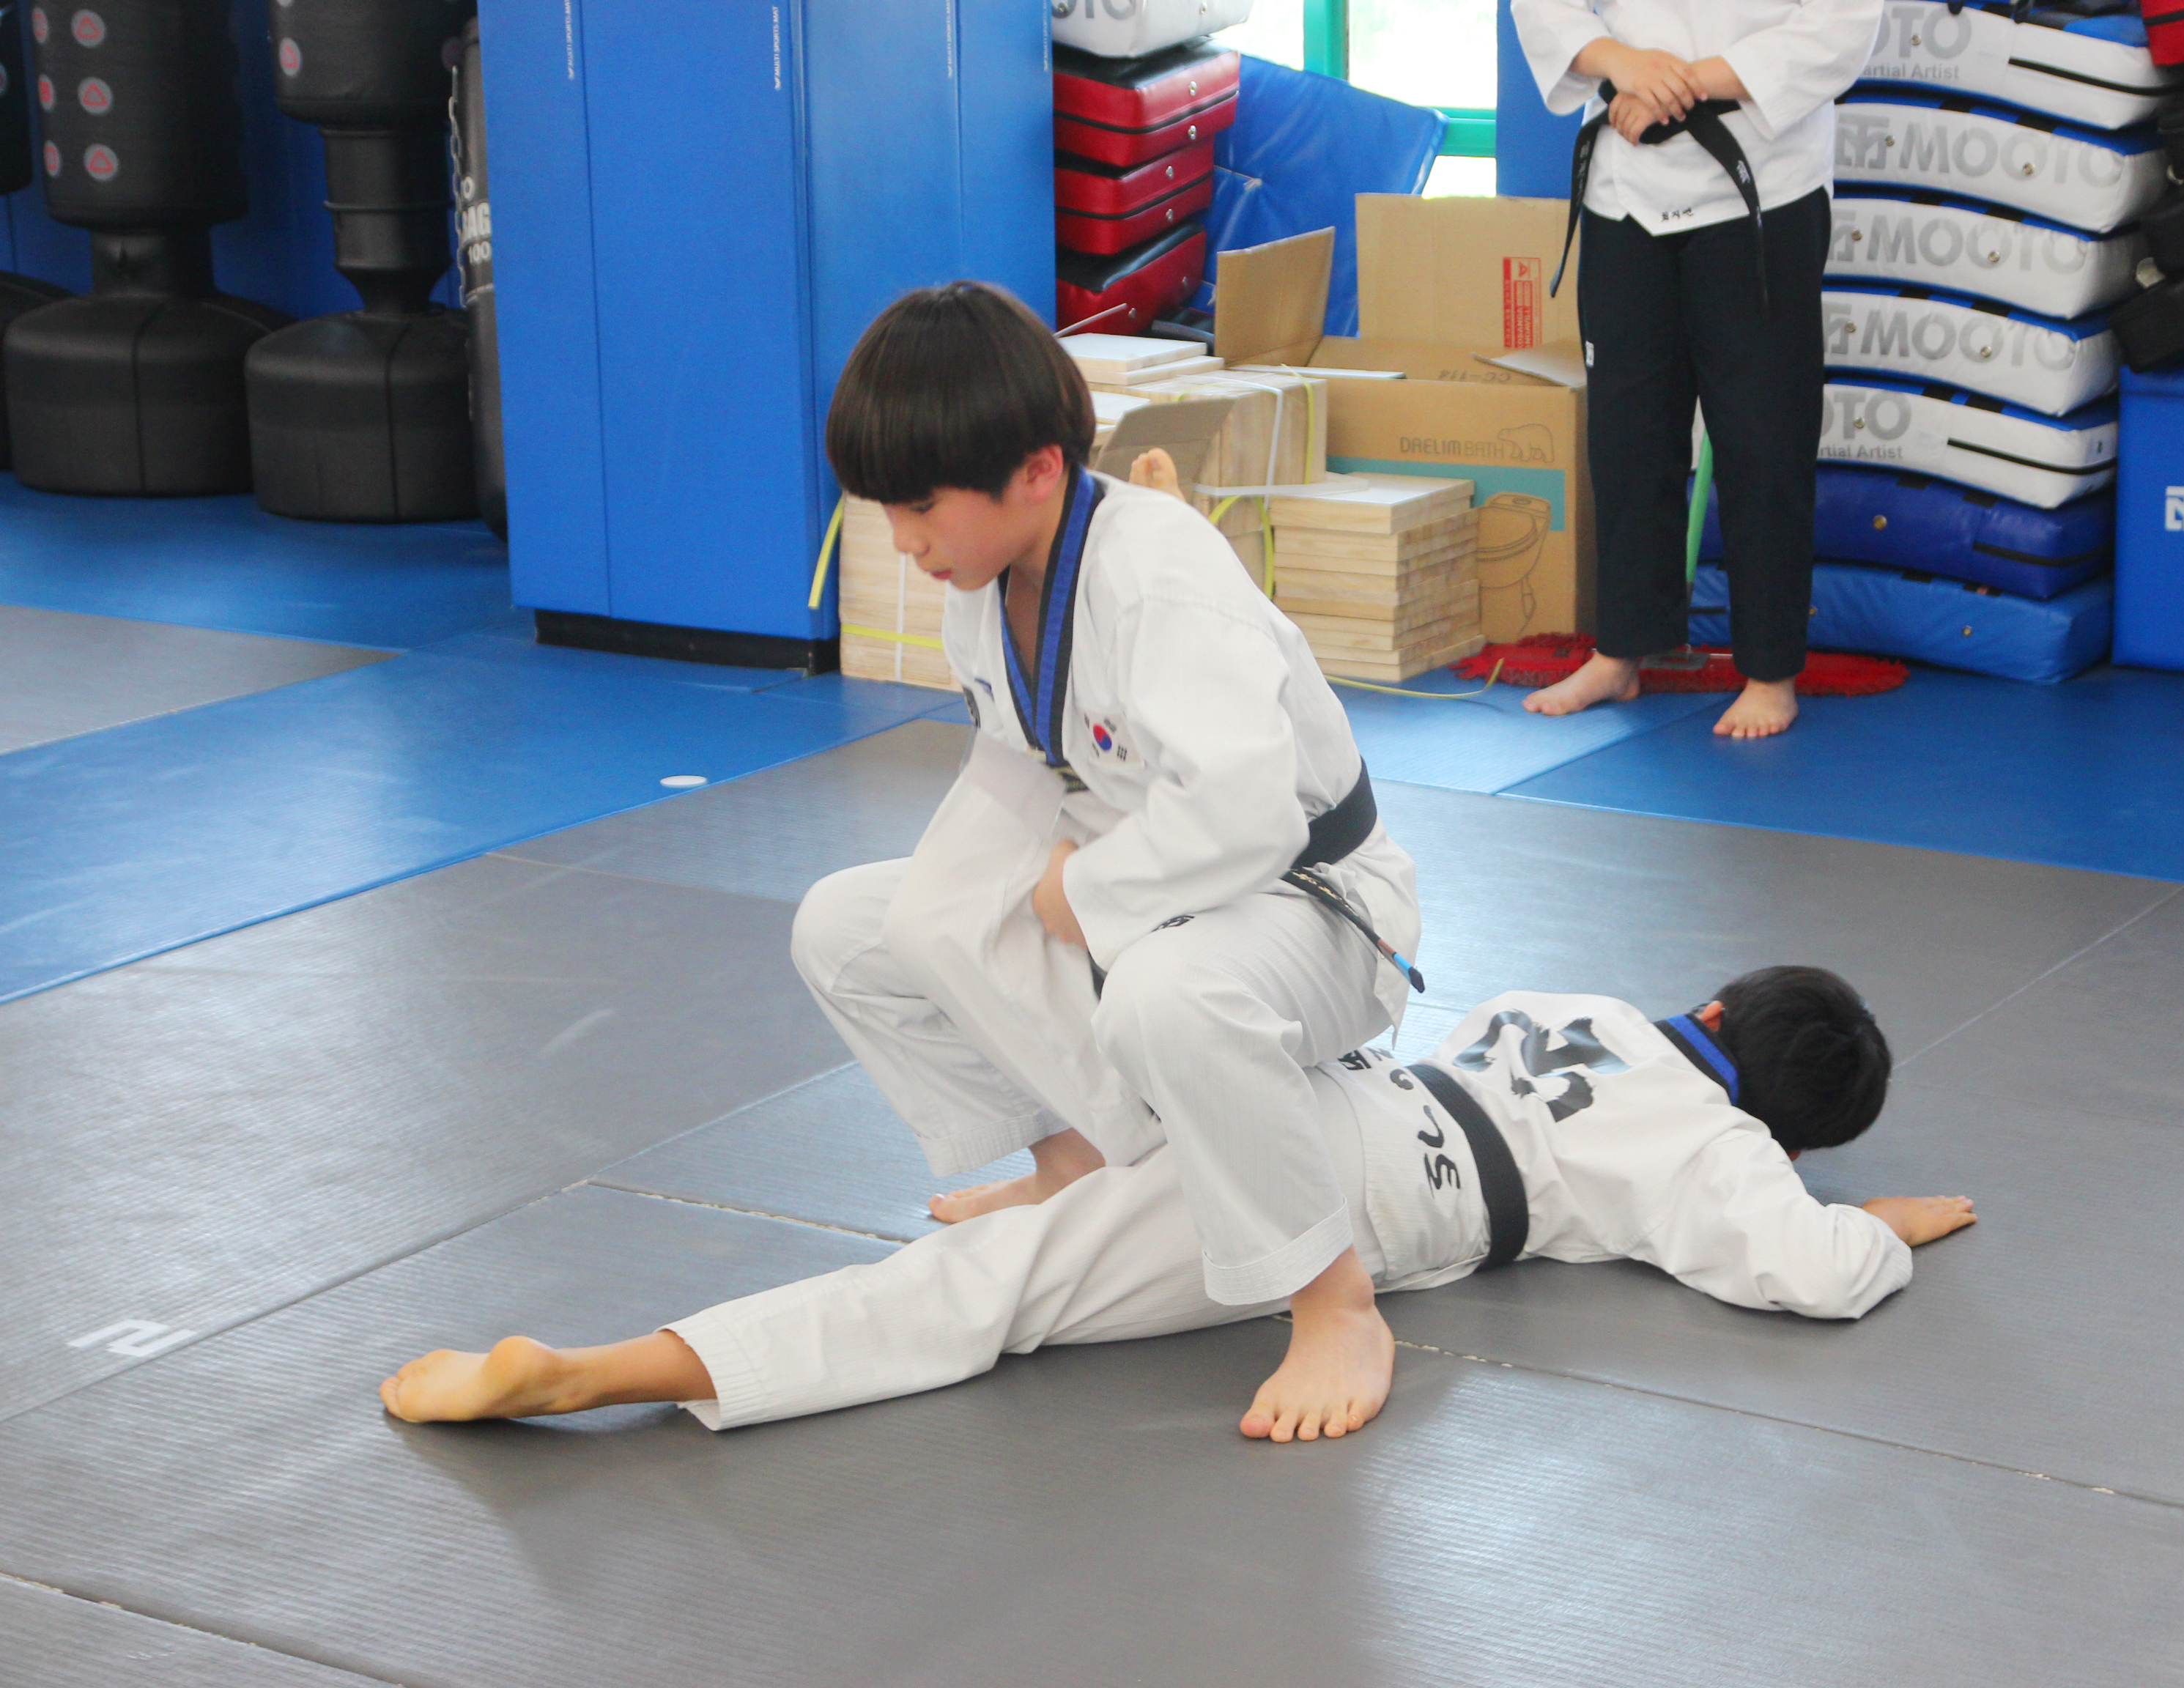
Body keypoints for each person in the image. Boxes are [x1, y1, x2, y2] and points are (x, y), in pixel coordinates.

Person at [380, 967, 1976, 1442]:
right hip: (1372, 1193)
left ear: (1717, 1002)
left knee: (1040, 1219)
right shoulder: (1714, 1148)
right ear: (1781, 1122)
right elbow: (1811, 1269)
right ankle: (595, 1371)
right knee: (987, 1304)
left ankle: (1050, 1167)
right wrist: (1879, 1220)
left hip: (1327, 1089)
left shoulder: (1586, 1010)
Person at [777, 283, 1421, 1441]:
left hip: (1315, 910)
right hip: (1157, 886)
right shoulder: (983, 588)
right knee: (852, 930)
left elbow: (1250, 818)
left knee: (1163, 999)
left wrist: (1086, 890)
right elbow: (1012, 768)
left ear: (1035, 471)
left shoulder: (1159, 578)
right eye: (884, 511)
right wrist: (949, 913)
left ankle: (1333, 1300)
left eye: (919, 507)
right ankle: (1075, 1159)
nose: (904, 542)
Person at [1509, 0, 1878, 733]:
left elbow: (1842, 24)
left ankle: (1770, 671)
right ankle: (1622, 650)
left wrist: (1685, 84)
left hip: (1763, 181)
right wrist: (1622, 64)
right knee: (1627, 432)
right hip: (1624, 176)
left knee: (1764, 437)